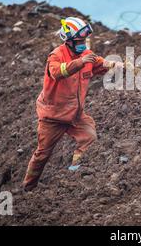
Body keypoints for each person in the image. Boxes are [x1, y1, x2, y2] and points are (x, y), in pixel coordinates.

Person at [22, 17, 122, 191]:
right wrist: (80, 63)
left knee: (89, 137)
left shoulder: (86, 55)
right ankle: (28, 187)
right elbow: (56, 72)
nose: (83, 44)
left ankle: (74, 171)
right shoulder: (57, 55)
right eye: (79, 40)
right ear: (68, 40)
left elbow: (100, 63)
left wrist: (117, 65)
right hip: (52, 116)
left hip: (75, 114)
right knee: (42, 154)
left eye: (84, 40)